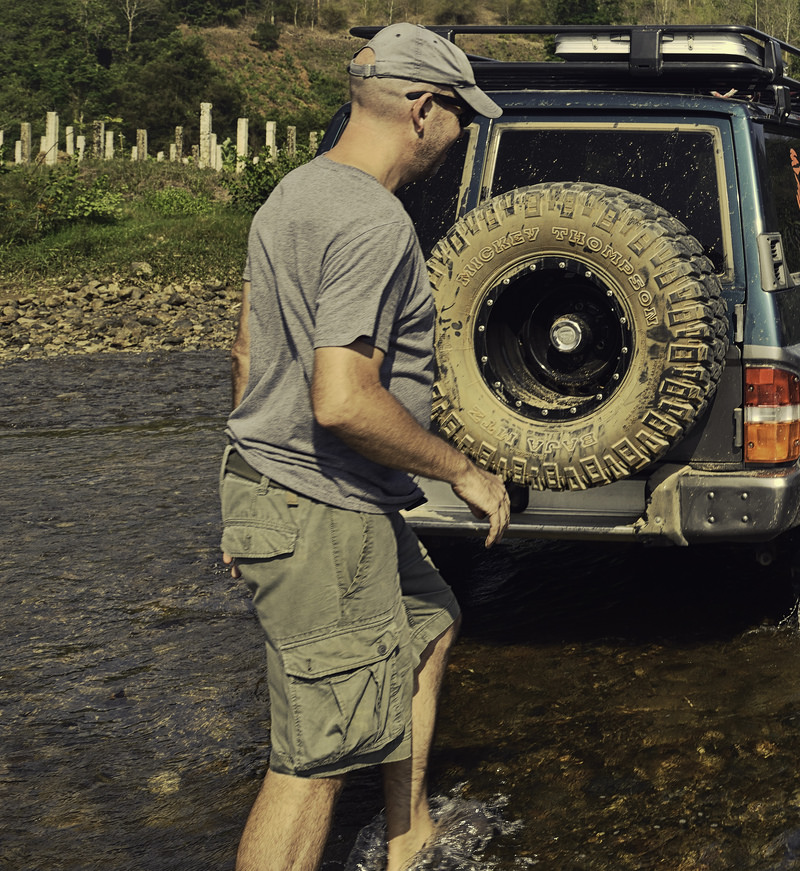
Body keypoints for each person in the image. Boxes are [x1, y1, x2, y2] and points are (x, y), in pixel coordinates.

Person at [220, 23, 510, 871]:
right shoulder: (374, 222)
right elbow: (342, 399)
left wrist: (245, 500)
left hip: (289, 489)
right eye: (459, 114)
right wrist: (464, 469)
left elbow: (245, 349)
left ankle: (408, 835)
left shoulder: (294, 192)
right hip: (322, 508)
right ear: (422, 109)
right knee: (313, 760)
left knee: (427, 621)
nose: (459, 136)